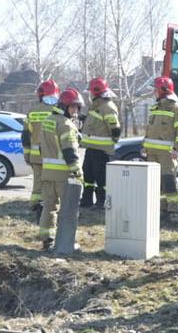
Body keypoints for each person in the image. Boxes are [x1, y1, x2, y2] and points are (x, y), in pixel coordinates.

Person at [37, 88, 83, 251]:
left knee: (49, 207)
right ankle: (67, 242)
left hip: (47, 173)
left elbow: (41, 148)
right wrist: (76, 171)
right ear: (64, 107)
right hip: (64, 174)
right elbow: (69, 151)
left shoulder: (48, 120)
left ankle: (47, 241)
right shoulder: (66, 125)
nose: (75, 111)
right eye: (73, 107)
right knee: (68, 209)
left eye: (77, 107)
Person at [144, 76, 178, 211]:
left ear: (163, 90)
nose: (153, 93)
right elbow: (149, 129)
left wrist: (176, 149)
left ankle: (173, 211)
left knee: (169, 181)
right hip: (152, 153)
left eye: (155, 90)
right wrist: (144, 147)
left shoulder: (176, 108)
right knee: (157, 184)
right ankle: (161, 209)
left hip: (167, 153)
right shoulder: (155, 107)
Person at [80, 78, 122, 209]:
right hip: (91, 149)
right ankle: (86, 200)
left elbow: (115, 128)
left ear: (97, 93)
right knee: (88, 176)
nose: (89, 95)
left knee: (101, 179)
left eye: (91, 92)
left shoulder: (108, 107)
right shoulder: (96, 106)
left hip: (102, 151)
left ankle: (101, 202)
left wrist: (111, 142)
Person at [22, 80, 60, 219]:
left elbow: (26, 135)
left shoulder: (33, 111)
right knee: (53, 182)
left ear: (40, 95)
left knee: (38, 180)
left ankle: (35, 204)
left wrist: (26, 154)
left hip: (36, 155)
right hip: (54, 155)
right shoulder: (59, 111)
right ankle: (50, 205)